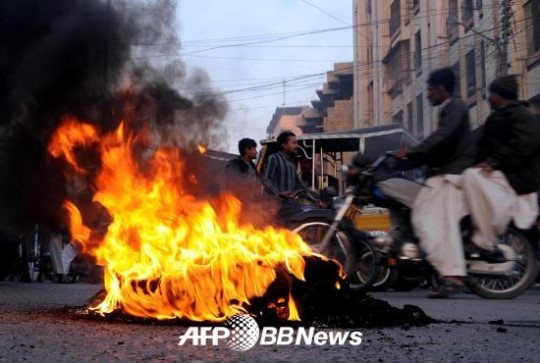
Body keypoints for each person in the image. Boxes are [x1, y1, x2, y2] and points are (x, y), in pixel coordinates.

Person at [392, 67, 474, 298]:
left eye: (429, 90)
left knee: (435, 222)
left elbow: (443, 137)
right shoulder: (448, 109)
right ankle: (447, 272)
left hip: (452, 174)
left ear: (440, 89)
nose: (427, 94)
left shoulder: (456, 106)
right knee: (425, 219)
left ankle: (454, 276)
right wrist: (409, 158)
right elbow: (439, 145)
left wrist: (413, 151)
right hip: (444, 173)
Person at [462, 75, 540, 256]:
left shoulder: (520, 115)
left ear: (501, 95)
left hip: (519, 179)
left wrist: (493, 162)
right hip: (506, 176)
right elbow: (482, 148)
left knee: (522, 224)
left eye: (492, 94)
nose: (489, 98)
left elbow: (524, 143)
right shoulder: (495, 118)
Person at [263, 131, 310, 220]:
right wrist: (279, 194)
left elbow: (299, 185)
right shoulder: (274, 158)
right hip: (275, 207)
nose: (296, 146)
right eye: (293, 143)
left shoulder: (292, 163)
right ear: (284, 145)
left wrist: (316, 200)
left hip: (289, 205)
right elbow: (266, 180)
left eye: (297, 143)